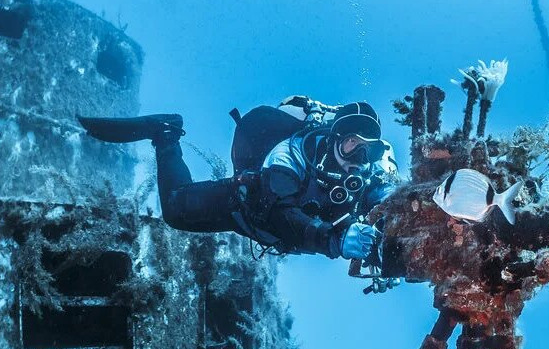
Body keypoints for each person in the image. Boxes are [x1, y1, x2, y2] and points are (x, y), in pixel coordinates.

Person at [78, 96, 397, 264]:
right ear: (334, 137)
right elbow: (279, 213)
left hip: (276, 235)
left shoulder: (367, 175)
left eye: (366, 152)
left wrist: (392, 226)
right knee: (175, 210)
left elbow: (391, 198)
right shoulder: (291, 154)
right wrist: (335, 241)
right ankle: (166, 133)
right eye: (352, 145)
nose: (357, 159)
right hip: (246, 208)